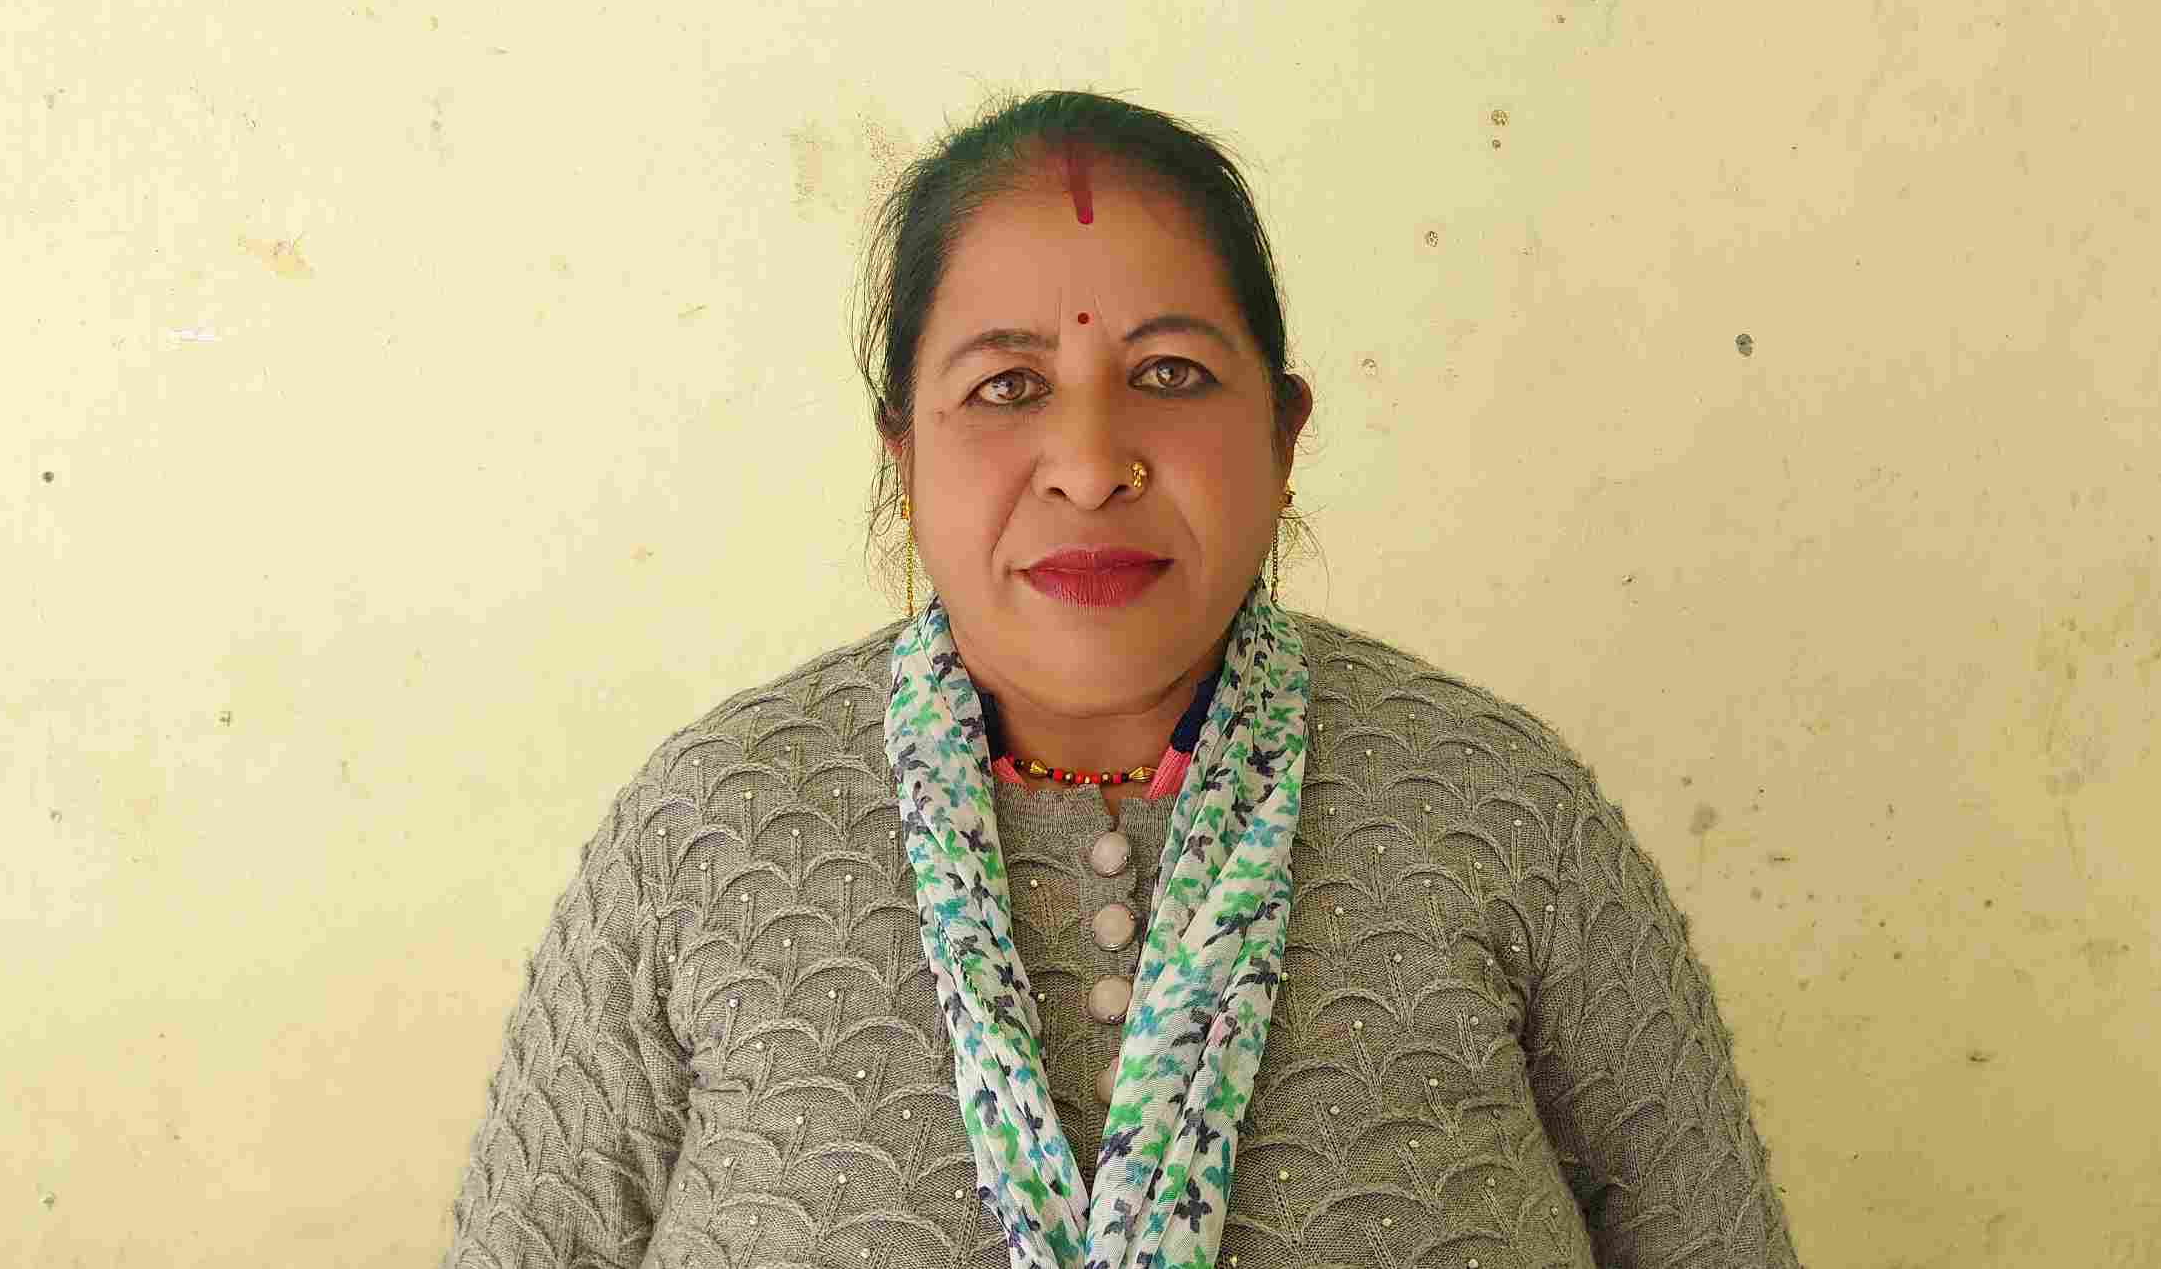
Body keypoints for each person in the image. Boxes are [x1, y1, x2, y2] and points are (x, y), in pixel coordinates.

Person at [440, 89, 1803, 1269]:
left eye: (1170, 373)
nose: (1092, 465)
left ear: (1283, 436)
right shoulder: (707, 833)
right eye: (1007, 387)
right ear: (903, 455)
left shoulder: (1502, 815)